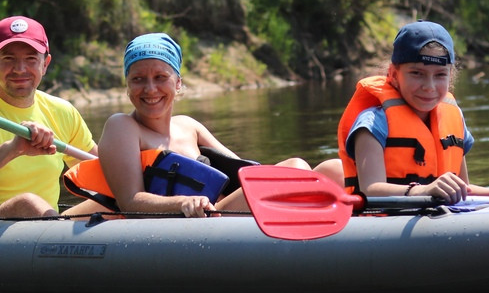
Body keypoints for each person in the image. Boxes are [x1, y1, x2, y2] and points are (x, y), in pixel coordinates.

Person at [65, 32, 311, 218]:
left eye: (160, 77)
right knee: (294, 169)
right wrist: (182, 202)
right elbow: (130, 202)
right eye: (138, 79)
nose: (150, 89)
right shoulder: (123, 126)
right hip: (199, 222)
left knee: (314, 167)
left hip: (221, 213)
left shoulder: (189, 126)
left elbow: (245, 175)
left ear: (178, 83)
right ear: (127, 85)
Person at [316, 20, 489, 205]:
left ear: (451, 76)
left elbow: (463, 189)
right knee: (328, 171)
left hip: (425, 213)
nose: (429, 86)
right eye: (417, 74)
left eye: (440, 75)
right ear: (394, 75)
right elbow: (371, 189)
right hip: (378, 220)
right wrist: (424, 190)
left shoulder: (453, 119)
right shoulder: (373, 123)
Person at [0, 15, 98, 219]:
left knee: (118, 200)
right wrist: (13, 149)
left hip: (45, 230)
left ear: (45, 64)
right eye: (8, 58)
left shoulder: (63, 111)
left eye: (31, 59)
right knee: (26, 204)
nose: (20, 69)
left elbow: (101, 174)